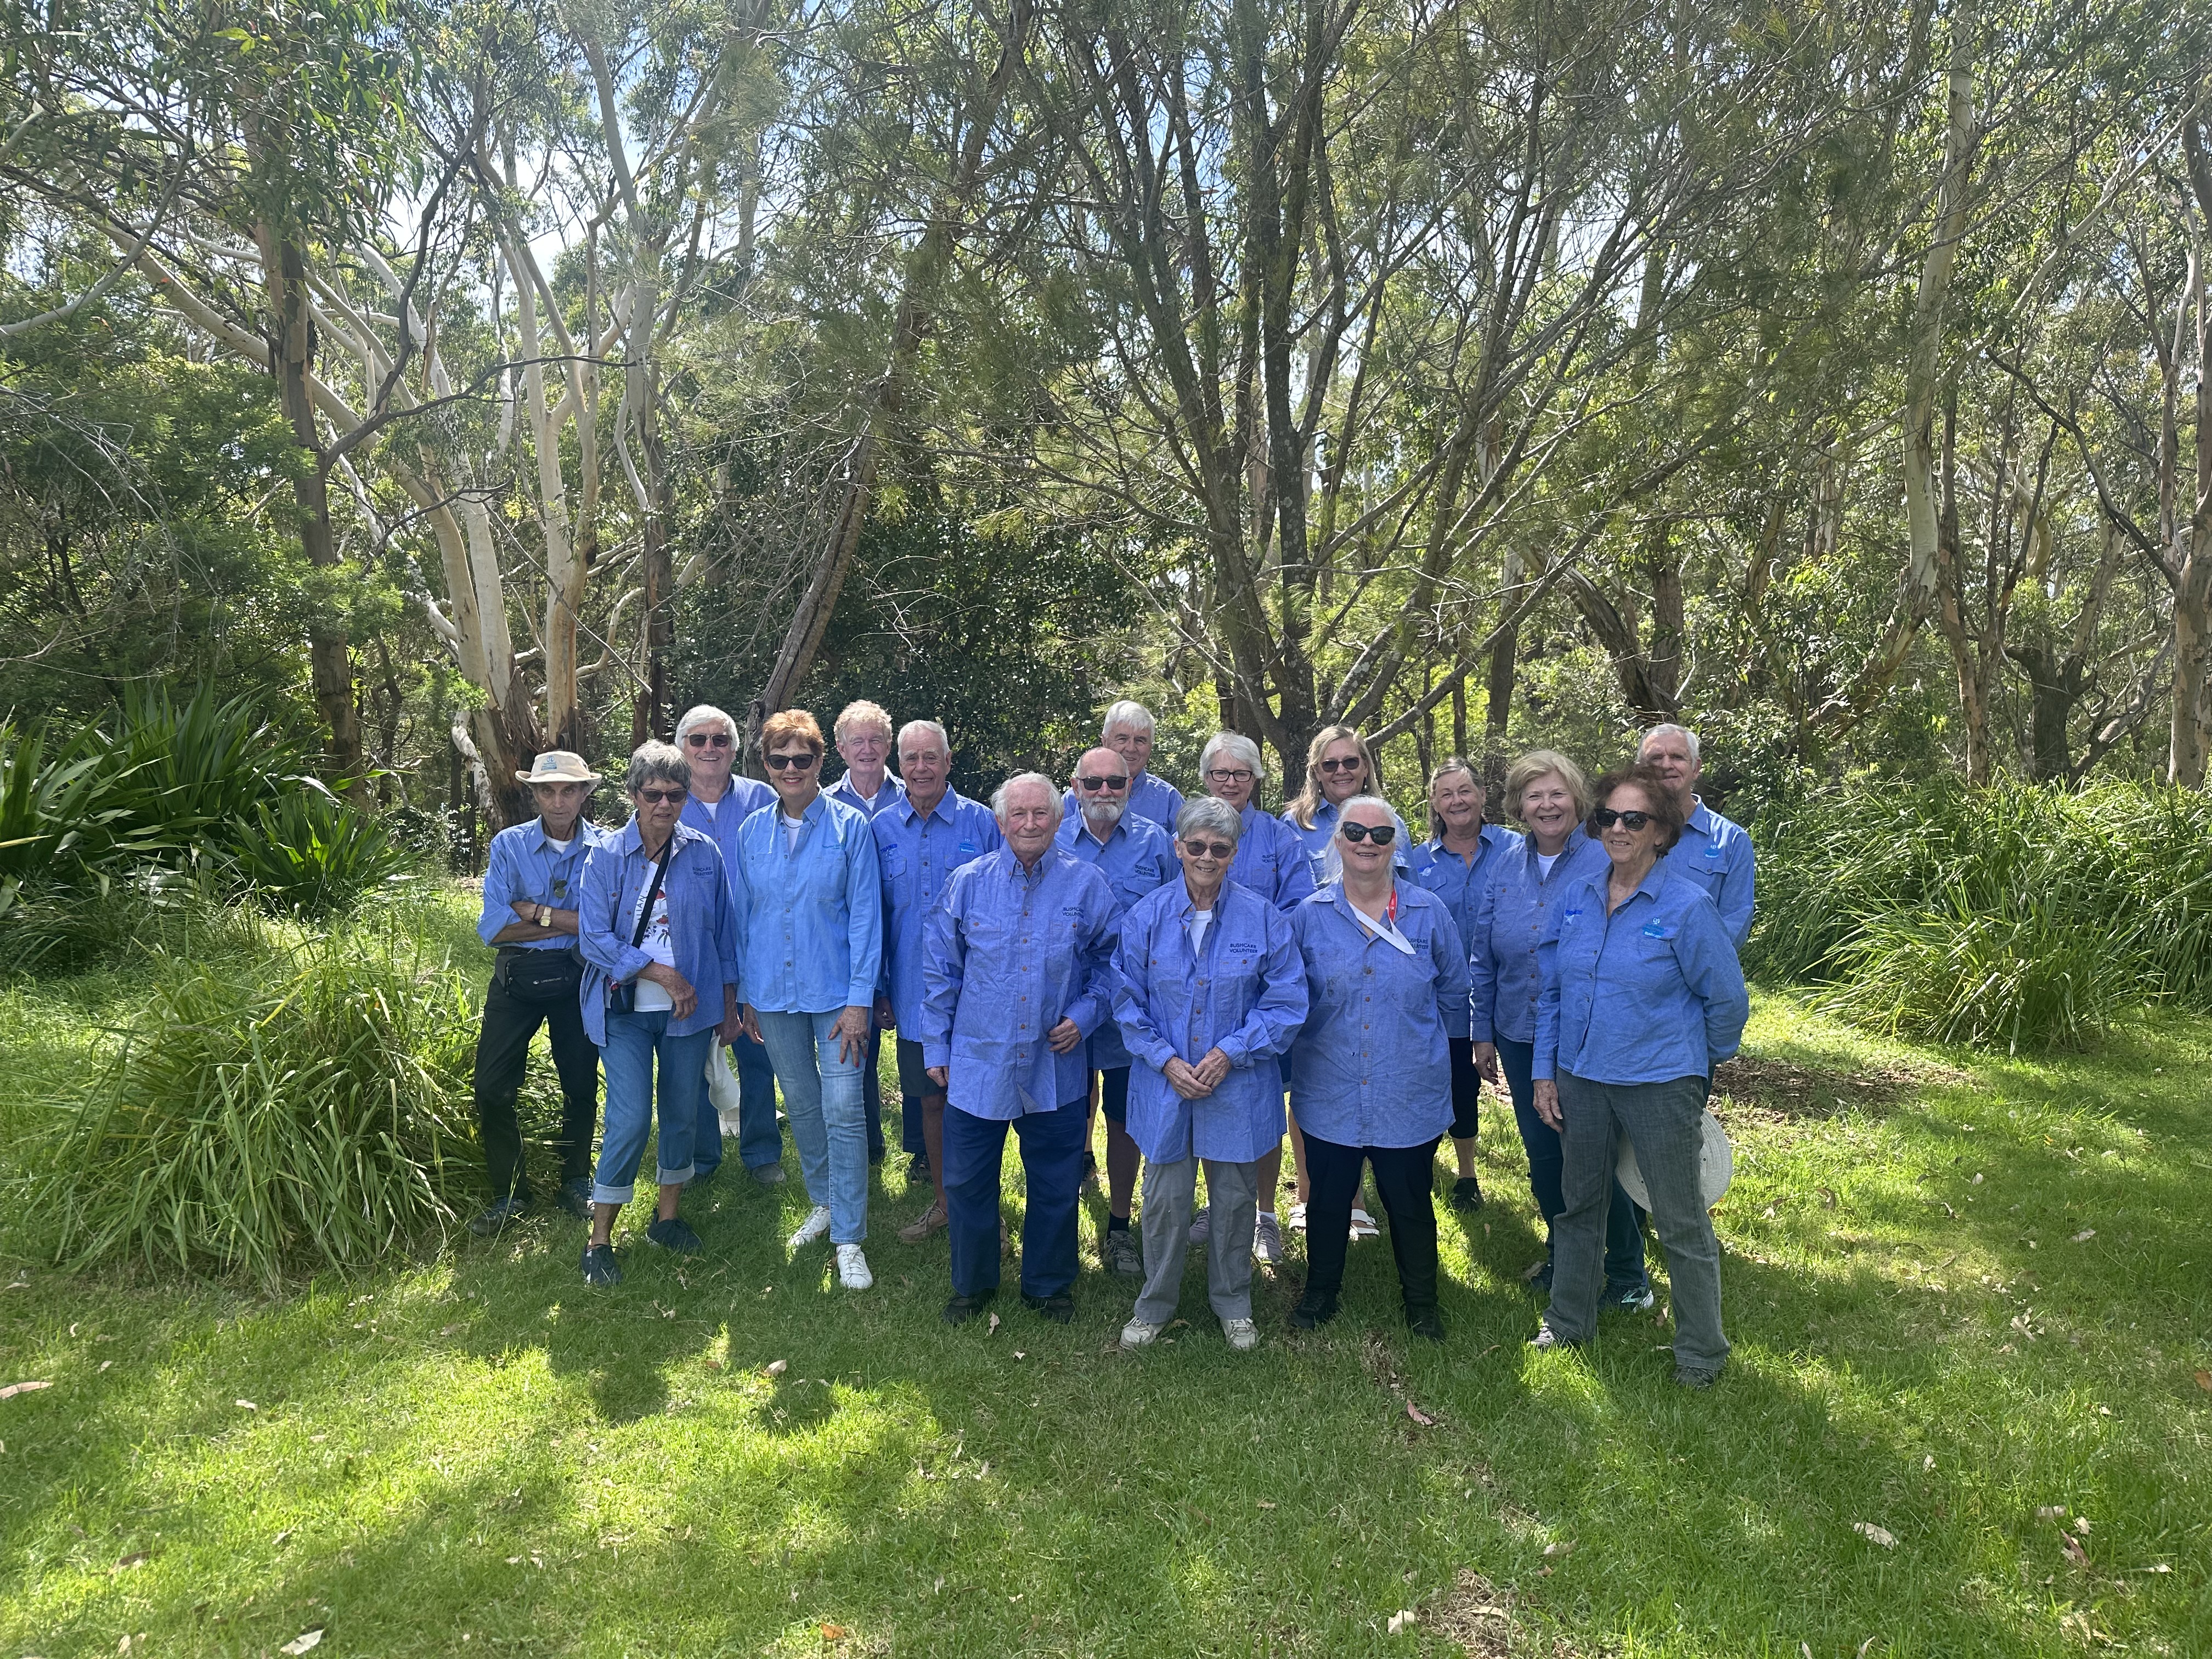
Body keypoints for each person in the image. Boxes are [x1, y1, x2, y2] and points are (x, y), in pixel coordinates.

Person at [1530, 764, 1750, 1387]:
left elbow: (1727, 1001)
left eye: (1636, 819)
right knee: (1580, 1207)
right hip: (1580, 1078)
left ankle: (1701, 1353)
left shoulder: (1687, 906)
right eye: (1609, 818)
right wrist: (1546, 1073)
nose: (1619, 829)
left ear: (1663, 833)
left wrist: (1693, 1066)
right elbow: (1553, 995)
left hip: (1659, 1083)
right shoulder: (1576, 898)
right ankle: (1568, 1321)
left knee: (1680, 1219)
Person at [921, 772, 1119, 1325]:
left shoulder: (1089, 885)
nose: (1030, 824)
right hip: (979, 1060)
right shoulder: (968, 884)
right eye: (1019, 815)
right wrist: (936, 1045)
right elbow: (940, 972)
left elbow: (1114, 962)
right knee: (966, 1180)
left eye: (1041, 815)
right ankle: (973, 1284)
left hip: (1056, 1061)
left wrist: (1086, 1015)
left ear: (1059, 821)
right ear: (1001, 822)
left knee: (1055, 1180)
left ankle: (1048, 1286)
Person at [1114, 797, 1306, 1353]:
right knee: (1165, 1200)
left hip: (1237, 1083)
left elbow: (1287, 1000)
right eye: (1195, 845)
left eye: (1218, 849)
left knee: (1234, 1198)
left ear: (1233, 855)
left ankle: (1234, 1303)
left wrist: (1230, 1053)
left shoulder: (1263, 918)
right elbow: (1127, 1002)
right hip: (1166, 1083)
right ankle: (1153, 1305)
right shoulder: (1146, 917)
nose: (1206, 856)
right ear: (1178, 847)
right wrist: (1167, 1061)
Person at [1286, 796, 1469, 1340]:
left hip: (1406, 1090)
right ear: (1337, 841)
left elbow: (1455, 991)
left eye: (1381, 835)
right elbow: (1290, 999)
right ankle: (1320, 1292)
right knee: (1326, 1202)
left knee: (1410, 1203)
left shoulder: (1428, 913)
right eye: (1356, 832)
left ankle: (1422, 1302)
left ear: (1397, 845)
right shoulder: (1309, 917)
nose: (1368, 842)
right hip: (1331, 1089)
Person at [1467, 752, 1646, 1302]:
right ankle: (1564, 1256)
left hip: (1587, 1039)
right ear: (1519, 805)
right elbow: (1482, 954)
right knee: (1545, 1157)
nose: (1547, 805)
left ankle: (1625, 1275)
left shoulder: (1603, 860)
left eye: (1557, 794)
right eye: (1534, 795)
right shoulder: (1501, 866)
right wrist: (1482, 1030)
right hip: (1519, 1036)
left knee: (1591, 1159)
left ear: (1577, 801)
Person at [575, 742, 741, 1288]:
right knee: (628, 1118)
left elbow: (724, 934)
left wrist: (730, 1006)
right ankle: (599, 1239)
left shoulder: (703, 854)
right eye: (653, 795)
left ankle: (665, 1220)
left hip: (690, 1012)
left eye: (675, 794)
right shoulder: (605, 855)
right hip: (623, 1008)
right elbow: (593, 936)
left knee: (681, 1114)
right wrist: (659, 973)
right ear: (632, 795)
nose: (665, 805)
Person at [732, 709, 884, 1291]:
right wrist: (746, 994)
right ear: (766, 766)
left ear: (822, 761)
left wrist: (859, 1001)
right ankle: (822, 1201)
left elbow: (867, 919)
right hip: (772, 994)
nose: (792, 769)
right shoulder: (751, 834)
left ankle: (850, 1235)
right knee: (801, 1105)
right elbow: (745, 918)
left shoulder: (851, 828)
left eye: (803, 759)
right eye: (780, 760)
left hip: (836, 995)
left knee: (844, 1110)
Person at [1185, 730, 1312, 1264]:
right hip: (1197, 997)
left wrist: (1249, 947)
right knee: (1206, 1098)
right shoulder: (1191, 834)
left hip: (1260, 996)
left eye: (1240, 774)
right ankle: (1217, 1205)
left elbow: (1300, 908)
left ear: (1256, 780)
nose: (1230, 782)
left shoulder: (1281, 840)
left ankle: (1263, 1215)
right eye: (1220, 773)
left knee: (1260, 1105)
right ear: (1205, 779)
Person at [873, 719, 1003, 1244]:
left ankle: (984, 1208)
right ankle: (946, 1206)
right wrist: (879, 989)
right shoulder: (880, 828)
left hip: (979, 995)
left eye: (932, 758)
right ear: (898, 766)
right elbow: (872, 916)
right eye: (911, 759)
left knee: (982, 1102)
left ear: (949, 763)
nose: (921, 768)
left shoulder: (983, 823)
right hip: (912, 993)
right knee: (930, 1100)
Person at [1277, 724, 1408, 1240]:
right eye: (1329, 764)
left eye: (1350, 762)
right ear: (1315, 771)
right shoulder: (1294, 825)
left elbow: (1407, 889)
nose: (1341, 772)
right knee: (1310, 1084)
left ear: (1365, 765)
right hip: (1313, 971)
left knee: (1364, 1076)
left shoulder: (1388, 820)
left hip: (1377, 970)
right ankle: (1309, 1198)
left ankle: (1355, 1198)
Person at [468, 751, 607, 1234]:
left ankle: (576, 1180)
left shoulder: (606, 849)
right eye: (548, 790)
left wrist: (535, 912)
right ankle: (510, 1194)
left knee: (581, 1083)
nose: (558, 800)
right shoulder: (508, 846)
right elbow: (493, 928)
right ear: (533, 794)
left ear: (586, 793)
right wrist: (573, 924)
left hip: (579, 980)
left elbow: (606, 927)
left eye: (570, 789)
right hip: (517, 980)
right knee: (490, 1086)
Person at [1056, 747, 1176, 1275]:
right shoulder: (1051, 837)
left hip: (1135, 1011)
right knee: (1062, 1117)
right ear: (1076, 786)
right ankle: (1057, 1223)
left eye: (1116, 783)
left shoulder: (1156, 843)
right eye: (1094, 782)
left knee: (1125, 1122)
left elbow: (1176, 913)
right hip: (1064, 1011)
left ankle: (1120, 1226)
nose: (1105, 792)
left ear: (1131, 785)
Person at [674, 704, 783, 1186]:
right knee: (692, 1057)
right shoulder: (668, 800)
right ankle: (701, 1159)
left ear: (735, 750)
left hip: (757, 948)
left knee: (760, 1053)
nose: (709, 749)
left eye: (720, 740)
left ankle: (762, 1154)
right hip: (692, 953)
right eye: (698, 740)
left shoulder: (763, 798)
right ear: (683, 748)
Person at [1407, 759, 1519, 1211]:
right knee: (1457, 1083)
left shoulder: (1515, 850)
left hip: (1512, 991)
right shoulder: (1416, 861)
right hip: (1447, 998)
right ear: (1434, 803)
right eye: (1446, 793)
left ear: (1481, 795)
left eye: (1465, 790)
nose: (1457, 800)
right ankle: (1464, 1176)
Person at [823, 698, 906, 1166]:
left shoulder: (910, 794)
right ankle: (868, 1145)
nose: (868, 749)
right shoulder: (828, 805)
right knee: (858, 1052)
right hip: (851, 944)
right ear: (840, 748)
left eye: (877, 740)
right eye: (858, 741)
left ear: (889, 745)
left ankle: (921, 1152)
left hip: (906, 937)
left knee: (919, 1046)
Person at [1637, 723, 1755, 947]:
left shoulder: (1731, 841)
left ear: (1696, 767)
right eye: (1655, 758)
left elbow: (1734, 923)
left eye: (1678, 757)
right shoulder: (1620, 831)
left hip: (1694, 974)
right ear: (1639, 770)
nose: (1666, 765)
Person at [1061, 699, 1184, 830]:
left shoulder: (1169, 801)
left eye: (1140, 740)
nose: (1131, 748)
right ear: (1105, 741)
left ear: (1151, 747)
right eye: (1122, 739)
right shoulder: (1074, 800)